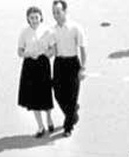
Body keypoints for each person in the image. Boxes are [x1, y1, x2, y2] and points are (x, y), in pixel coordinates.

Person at [17, 5, 57, 137]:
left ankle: (49, 118)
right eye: (31, 18)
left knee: (45, 94)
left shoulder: (47, 31)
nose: (34, 20)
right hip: (29, 65)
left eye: (36, 17)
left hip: (43, 64)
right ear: (28, 19)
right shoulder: (24, 32)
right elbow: (20, 51)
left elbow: (53, 50)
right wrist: (28, 54)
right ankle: (40, 127)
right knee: (33, 98)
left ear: (41, 17)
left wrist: (46, 53)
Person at [50, 0, 86, 137]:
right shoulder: (52, 30)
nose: (56, 15)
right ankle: (73, 113)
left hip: (72, 63)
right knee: (58, 94)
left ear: (65, 11)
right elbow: (51, 50)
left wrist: (83, 68)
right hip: (59, 63)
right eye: (54, 12)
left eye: (58, 12)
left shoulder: (75, 28)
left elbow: (83, 48)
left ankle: (68, 127)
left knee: (72, 96)